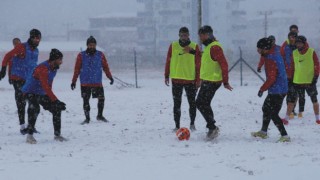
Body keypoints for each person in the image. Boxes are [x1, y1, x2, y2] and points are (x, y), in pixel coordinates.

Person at [0, 29, 41, 135]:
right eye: (35, 38)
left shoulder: (36, 51)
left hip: (29, 80)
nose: (37, 40)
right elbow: (7, 56)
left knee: (34, 104)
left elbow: (33, 65)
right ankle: (23, 127)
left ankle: (31, 126)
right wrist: (3, 70)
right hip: (18, 79)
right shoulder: (21, 47)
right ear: (31, 38)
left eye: (39, 38)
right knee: (21, 103)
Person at [22, 49, 67, 144]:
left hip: (41, 92)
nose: (61, 62)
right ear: (54, 60)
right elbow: (45, 85)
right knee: (35, 108)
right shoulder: (42, 68)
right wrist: (55, 100)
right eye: (60, 59)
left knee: (56, 109)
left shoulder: (54, 68)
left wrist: (55, 102)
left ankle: (57, 135)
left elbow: (49, 86)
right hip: (30, 92)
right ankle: (29, 136)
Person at [196, 25, 233, 140]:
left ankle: (212, 127)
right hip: (209, 80)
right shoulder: (209, 47)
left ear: (207, 35)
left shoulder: (215, 47)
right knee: (204, 103)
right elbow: (206, 59)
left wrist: (226, 82)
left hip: (213, 81)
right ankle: (211, 126)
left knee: (201, 103)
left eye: (201, 36)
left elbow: (224, 64)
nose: (200, 39)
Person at [251, 38, 290, 142]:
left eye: (259, 49)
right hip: (277, 89)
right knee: (266, 108)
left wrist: (262, 89)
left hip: (278, 90)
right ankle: (263, 132)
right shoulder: (272, 54)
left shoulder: (271, 58)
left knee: (273, 113)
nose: (258, 51)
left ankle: (285, 136)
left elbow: (272, 78)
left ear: (265, 48)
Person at [164, 27, 201, 132]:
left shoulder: (194, 47)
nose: (183, 37)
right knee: (176, 104)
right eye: (181, 35)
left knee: (192, 103)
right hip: (176, 79)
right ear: (179, 35)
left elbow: (199, 64)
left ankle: (192, 124)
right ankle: (177, 126)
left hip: (190, 80)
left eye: (185, 35)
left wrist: (198, 79)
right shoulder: (173, 46)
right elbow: (168, 60)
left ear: (188, 35)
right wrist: (166, 75)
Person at [71, 36, 114, 125]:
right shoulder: (81, 55)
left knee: (101, 99)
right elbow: (77, 69)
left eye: (93, 45)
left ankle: (100, 115)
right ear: (87, 45)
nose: (92, 47)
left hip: (97, 82)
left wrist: (109, 77)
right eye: (90, 45)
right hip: (85, 83)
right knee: (86, 101)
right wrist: (74, 81)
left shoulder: (100, 55)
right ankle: (87, 118)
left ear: (96, 45)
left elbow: (105, 67)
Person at [282, 35, 320, 125]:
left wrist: (315, 76)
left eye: (300, 43)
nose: (298, 45)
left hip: (309, 81)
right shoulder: (294, 53)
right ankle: (286, 118)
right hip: (296, 81)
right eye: (297, 43)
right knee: (291, 100)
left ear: (304, 43)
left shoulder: (311, 51)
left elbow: (317, 64)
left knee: (314, 100)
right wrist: (290, 77)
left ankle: (317, 118)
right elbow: (292, 66)